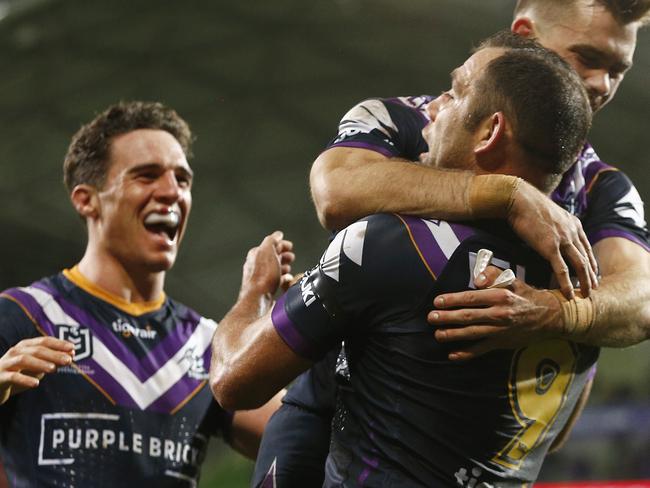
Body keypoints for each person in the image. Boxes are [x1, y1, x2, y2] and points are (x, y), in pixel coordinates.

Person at [252, 1, 650, 485]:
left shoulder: (602, 188)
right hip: (332, 422)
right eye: (587, 57)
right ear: (524, 35)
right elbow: (336, 191)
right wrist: (504, 193)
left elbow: (642, 298)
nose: (601, 83)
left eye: (617, 70)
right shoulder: (407, 121)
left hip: (493, 442)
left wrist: (552, 312)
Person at [0, 101, 291, 487]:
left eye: (182, 180)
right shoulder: (24, 315)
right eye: (147, 175)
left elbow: (298, 439)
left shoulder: (206, 346)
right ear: (86, 199)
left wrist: (274, 317)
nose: (172, 192)